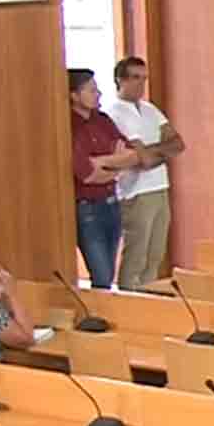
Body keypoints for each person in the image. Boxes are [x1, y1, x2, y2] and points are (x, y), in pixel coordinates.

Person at [105, 57, 184, 290]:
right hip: (136, 191)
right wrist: (160, 151)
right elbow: (144, 159)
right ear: (121, 80)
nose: (142, 84)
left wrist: (153, 152)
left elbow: (178, 143)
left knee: (155, 253)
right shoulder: (115, 112)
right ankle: (130, 296)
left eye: (144, 78)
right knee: (136, 253)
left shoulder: (150, 109)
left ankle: (149, 296)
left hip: (159, 186)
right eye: (136, 78)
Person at [70, 68, 132, 289]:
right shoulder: (69, 126)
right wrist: (115, 161)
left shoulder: (103, 120)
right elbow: (87, 174)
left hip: (111, 203)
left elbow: (131, 156)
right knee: (102, 275)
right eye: (91, 90)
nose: (98, 94)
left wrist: (105, 162)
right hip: (88, 209)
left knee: (109, 270)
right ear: (74, 95)